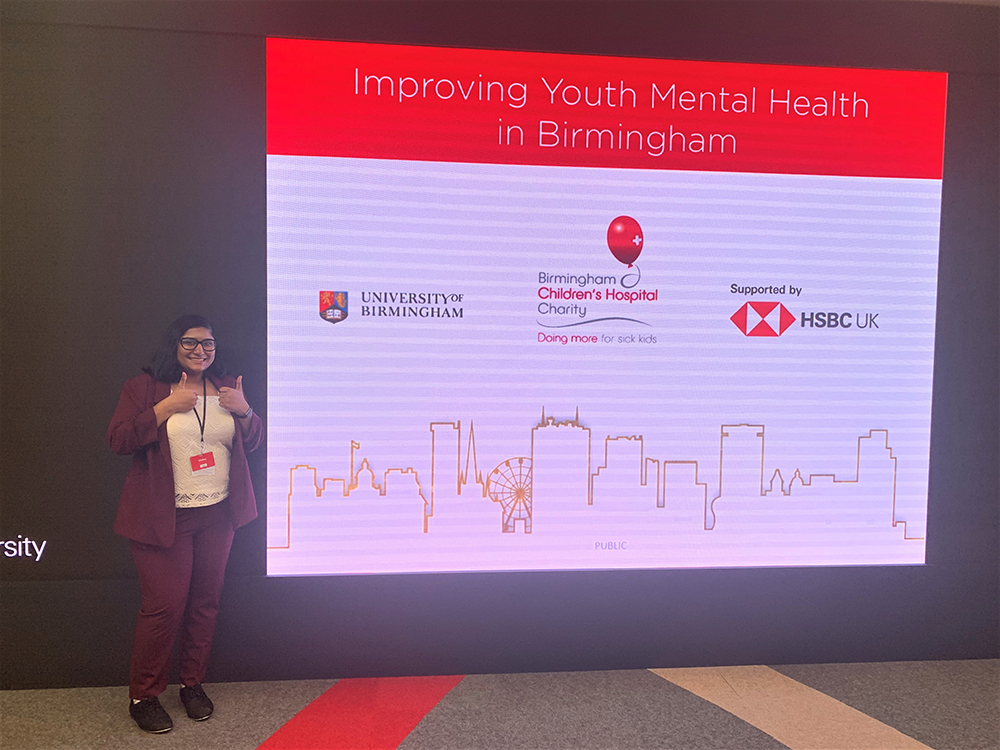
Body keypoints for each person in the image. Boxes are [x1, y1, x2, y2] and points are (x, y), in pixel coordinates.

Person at [107, 315, 263, 733]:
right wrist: (164, 409)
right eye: (191, 343)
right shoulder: (143, 388)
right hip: (163, 517)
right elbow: (118, 439)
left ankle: (191, 684)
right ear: (174, 344)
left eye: (208, 344)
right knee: (163, 606)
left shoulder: (227, 386)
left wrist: (245, 410)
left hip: (218, 514)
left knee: (206, 602)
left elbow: (252, 439)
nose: (201, 351)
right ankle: (144, 694)